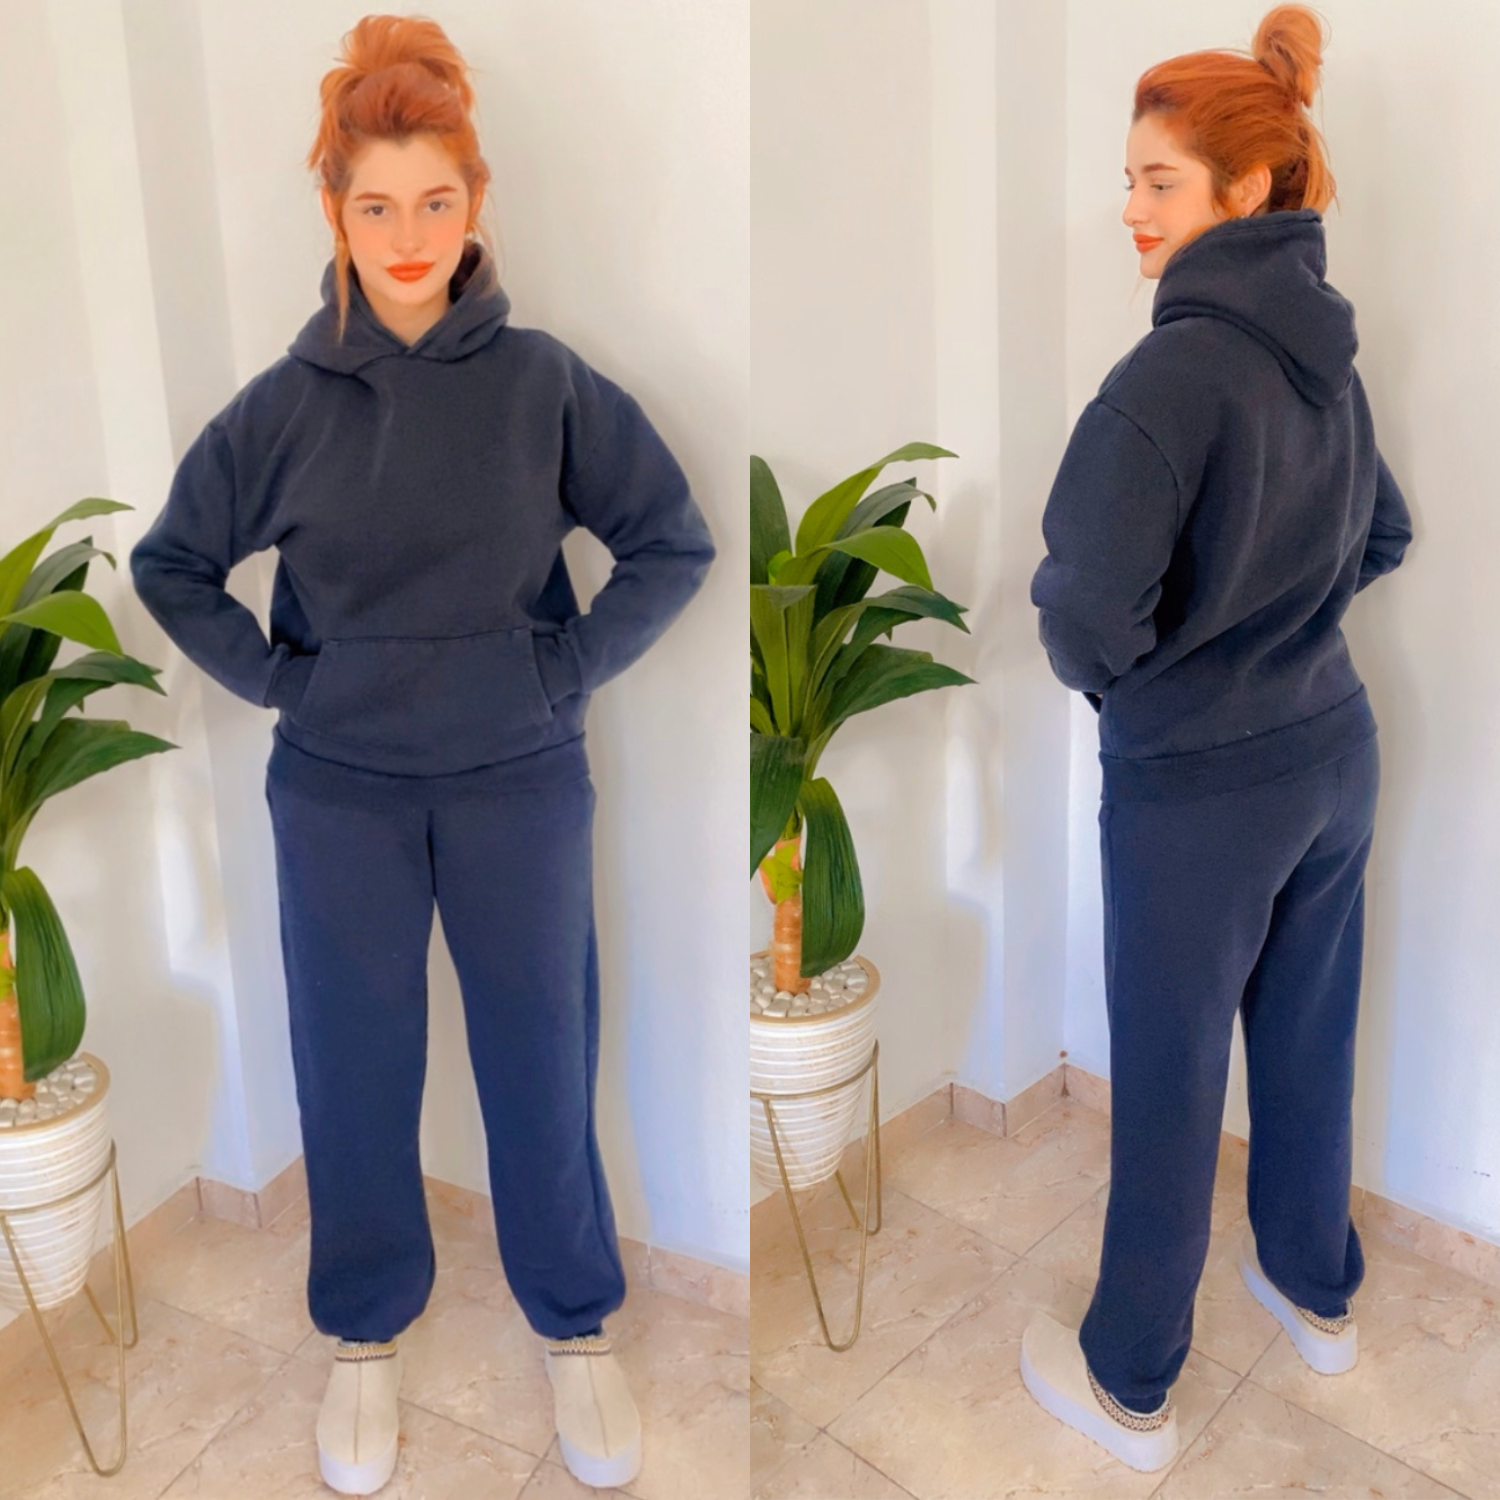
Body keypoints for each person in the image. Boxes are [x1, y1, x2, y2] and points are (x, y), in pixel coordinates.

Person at [129, 15, 714, 1495]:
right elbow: (173, 562)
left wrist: (558, 667)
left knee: (541, 1053)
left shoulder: (544, 384)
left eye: (435, 202)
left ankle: (574, 1322)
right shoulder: (282, 410)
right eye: (377, 205)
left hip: (521, 777)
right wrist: (288, 686)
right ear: (333, 212)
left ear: (476, 202)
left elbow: (672, 540)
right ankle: (363, 1333)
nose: (408, 238)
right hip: (340, 793)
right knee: (354, 1061)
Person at [1022, 4, 1411, 1474]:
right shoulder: (1331, 358)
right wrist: (1280, 628)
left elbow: (1083, 609)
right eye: (1127, 179)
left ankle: (1128, 1382)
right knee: (1309, 1037)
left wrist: (1157, 684)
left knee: (1172, 1078)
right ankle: (1317, 1295)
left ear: (1246, 189)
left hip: (1200, 787)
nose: (1128, 208)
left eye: (1157, 181)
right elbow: (1384, 533)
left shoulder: (1167, 378)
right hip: (1335, 755)